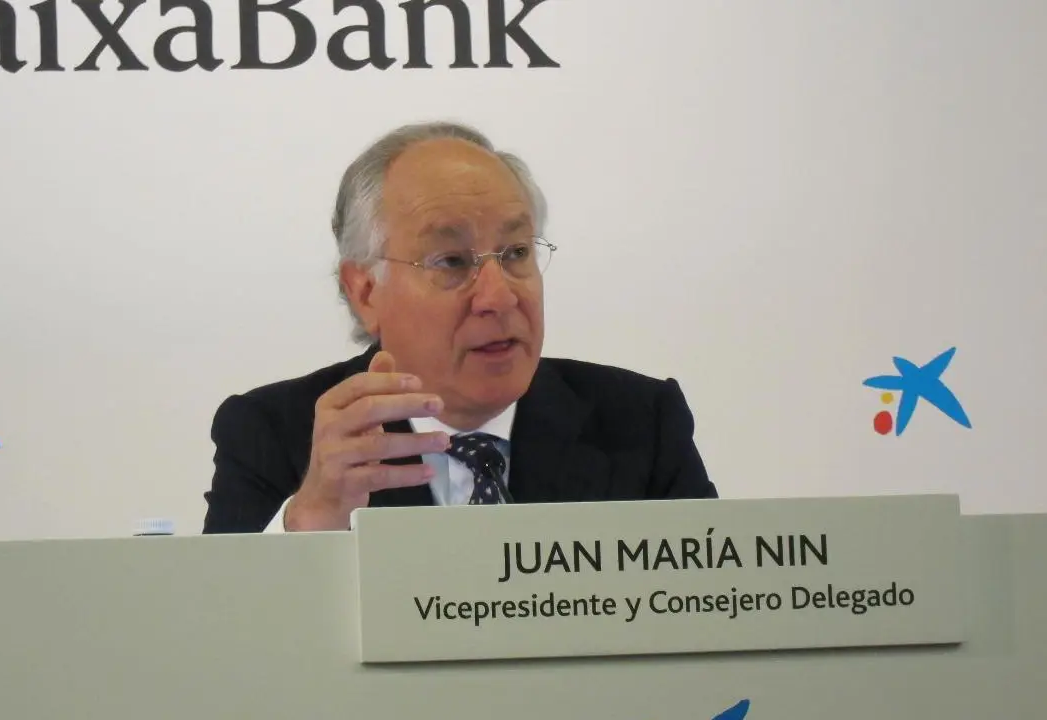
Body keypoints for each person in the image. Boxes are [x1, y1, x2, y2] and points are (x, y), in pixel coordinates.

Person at [202, 121, 717, 534]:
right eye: (451, 261)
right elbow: (218, 625)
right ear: (365, 291)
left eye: (516, 253)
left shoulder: (641, 422)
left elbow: (718, 611)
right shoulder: (274, 435)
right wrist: (311, 519)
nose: (499, 296)